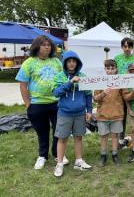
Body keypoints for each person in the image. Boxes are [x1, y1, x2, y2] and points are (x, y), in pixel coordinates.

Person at [15, 35, 64, 170]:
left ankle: (57, 153)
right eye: (43, 44)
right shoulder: (29, 63)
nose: (47, 47)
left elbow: (63, 79)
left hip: (56, 103)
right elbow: (23, 85)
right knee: (42, 131)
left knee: (58, 130)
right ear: (37, 46)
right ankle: (42, 156)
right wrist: (28, 104)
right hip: (37, 104)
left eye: (49, 45)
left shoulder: (56, 62)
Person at [52, 50, 93, 177]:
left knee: (78, 137)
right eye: (69, 61)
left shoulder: (83, 76)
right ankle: (59, 163)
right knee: (62, 138)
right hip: (64, 113)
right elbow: (56, 92)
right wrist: (70, 82)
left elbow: (88, 95)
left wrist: (89, 111)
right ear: (65, 63)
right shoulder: (59, 76)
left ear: (77, 63)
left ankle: (79, 161)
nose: (71, 64)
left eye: (74, 61)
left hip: (80, 113)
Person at [114, 37, 134, 147]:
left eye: (129, 46)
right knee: (121, 115)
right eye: (125, 46)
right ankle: (120, 139)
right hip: (120, 91)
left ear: (132, 47)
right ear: (122, 47)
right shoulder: (117, 58)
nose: (127, 48)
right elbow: (113, 72)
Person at [93, 59, 124, 166]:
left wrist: (133, 92)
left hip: (116, 114)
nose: (110, 71)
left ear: (116, 69)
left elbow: (125, 96)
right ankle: (103, 156)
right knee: (104, 136)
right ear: (105, 69)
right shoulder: (100, 81)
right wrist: (103, 94)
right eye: (108, 68)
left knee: (115, 136)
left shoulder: (120, 82)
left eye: (112, 68)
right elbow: (95, 98)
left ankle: (115, 155)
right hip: (103, 115)